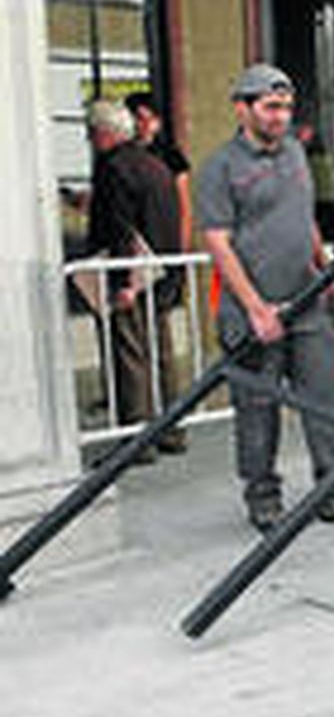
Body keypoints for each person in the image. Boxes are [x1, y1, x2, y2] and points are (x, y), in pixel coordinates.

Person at [195, 64, 334, 534]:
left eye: (286, 107)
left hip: (307, 304)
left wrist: (325, 269)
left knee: (328, 400)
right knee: (258, 411)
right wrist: (257, 309)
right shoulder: (220, 168)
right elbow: (217, 243)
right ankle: (264, 500)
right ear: (243, 108)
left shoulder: (297, 153)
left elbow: (304, 219)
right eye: (270, 107)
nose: (280, 116)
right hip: (252, 312)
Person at [85, 99, 186, 455]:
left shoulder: (114, 168)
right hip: (161, 272)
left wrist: (124, 282)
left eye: (92, 133)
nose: (91, 140)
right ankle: (172, 431)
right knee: (161, 354)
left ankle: (138, 440)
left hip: (131, 273)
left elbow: (121, 228)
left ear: (105, 133)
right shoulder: (155, 165)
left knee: (130, 355)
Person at [125, 91, 192, 250]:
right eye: (140, 118)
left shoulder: (170, 156)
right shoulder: (121, 157)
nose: (146, 125)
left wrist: (183, 248)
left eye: (152, 119)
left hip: (163, 234)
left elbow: (184, 207)